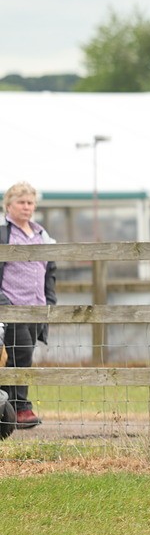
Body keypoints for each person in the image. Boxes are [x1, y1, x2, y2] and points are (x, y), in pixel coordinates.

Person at [1, 182, 57, 430]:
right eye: (21, 202)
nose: (26, 207)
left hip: (36, 304)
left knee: (24, 356)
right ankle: (20, 408)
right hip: (11, 303)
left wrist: (50, 299)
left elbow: (50, 269)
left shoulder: (41, 234)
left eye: (30, 203)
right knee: (19, 352)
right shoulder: (4, 233)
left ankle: (7, 410)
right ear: (9, 205)